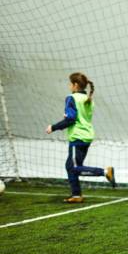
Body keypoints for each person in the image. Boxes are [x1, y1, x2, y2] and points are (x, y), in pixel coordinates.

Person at [46, 72, 116, 203]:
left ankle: (105, 172)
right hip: (87, 136)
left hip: (77, 137)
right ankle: (76, 195)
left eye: (70, 83)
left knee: (73, 168)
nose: (69, 86)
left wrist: (53, 127)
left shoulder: (71, 98)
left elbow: (71, 119)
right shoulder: (88, 100)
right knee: (72, 166)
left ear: (75, 85)